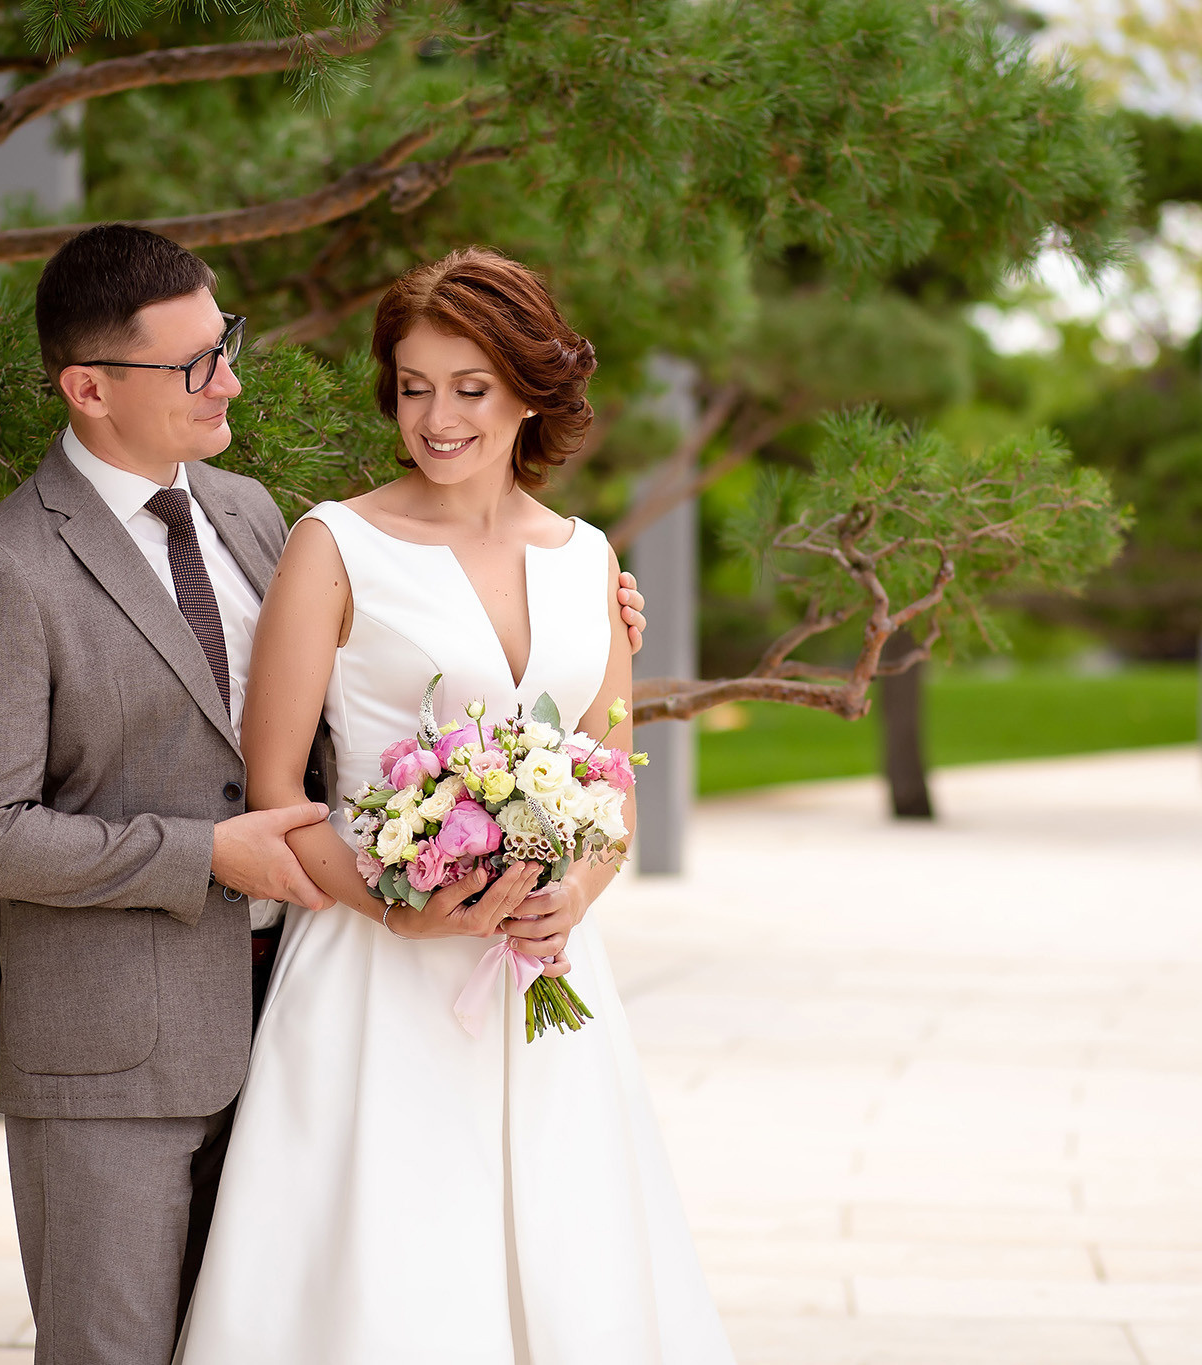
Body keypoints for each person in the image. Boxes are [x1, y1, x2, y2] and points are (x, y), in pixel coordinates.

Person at [0, 225, 648, 1365]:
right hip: (123, 1045)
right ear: (89, 387)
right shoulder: (5, 570)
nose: (233, 378)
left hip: (288, 1006)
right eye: (197, 363)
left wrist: (576, 635)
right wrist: (211, 855)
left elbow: (380, 667)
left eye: (228, 345)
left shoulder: (249, 513)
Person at [179, 247, 735, 1365]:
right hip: (371, 984)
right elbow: (276, 793)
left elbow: (608, 782)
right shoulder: (334, 545)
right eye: (413, 384)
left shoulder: (588, 561)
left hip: (543, 982)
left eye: (468, 388)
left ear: (531, 389)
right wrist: (395, 904)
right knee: (389, 1287)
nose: (435, 417)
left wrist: (570, 890)